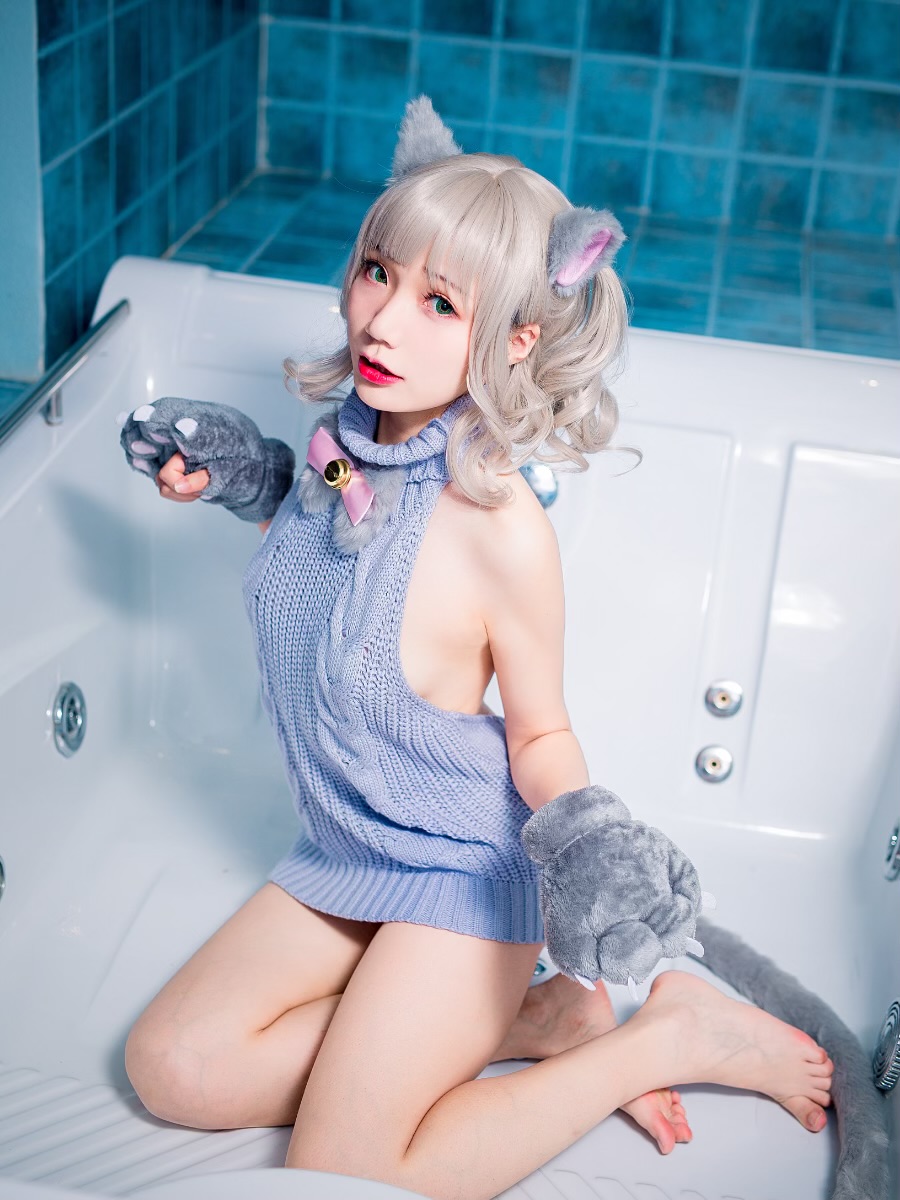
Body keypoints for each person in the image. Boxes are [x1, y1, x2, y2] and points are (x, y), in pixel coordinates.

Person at [122, 97, 833, 1200]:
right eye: (377, 272)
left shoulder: (500, 530)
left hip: (464, 871)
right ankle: (543, 1022)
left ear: (514, 337)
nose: (382, 321)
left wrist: (589, 847)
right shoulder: (348, 445)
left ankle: (662, 1036)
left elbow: (539, 732)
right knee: (172, 1066)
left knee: (346, 1169)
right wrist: (249, 475)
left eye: (439, 302)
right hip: (351, 846)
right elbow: (332, 568)